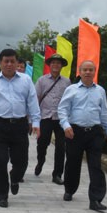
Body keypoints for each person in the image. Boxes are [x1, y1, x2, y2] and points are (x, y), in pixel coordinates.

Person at [0, 48, 41, 208]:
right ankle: (2, 195)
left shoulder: (26, 80)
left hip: (20, 126)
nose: (9, 64)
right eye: (5, 61)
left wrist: (36, 123)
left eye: (12, 61)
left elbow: (32, 102)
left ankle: (15, 177)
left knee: (21, 161)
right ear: (0, 63)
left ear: (17, 63)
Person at [57, 60, 107, 212]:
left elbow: (104, 112)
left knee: (96, 166)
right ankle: (69, 189)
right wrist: (66, 125)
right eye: (85, 70)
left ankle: (95, 199)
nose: (88, 72)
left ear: (94, 72)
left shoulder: (100, 91)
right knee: (73, 163)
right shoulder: (71, 89)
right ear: (80, 72)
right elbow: (62, 109)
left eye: (91, 70)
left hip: (95, 132)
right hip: (75, 131)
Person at [34, 53, 71, 185]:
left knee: (61, 147)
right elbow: (36, 99)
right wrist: (34, 119)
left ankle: (57, 174)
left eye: (58, 63)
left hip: (61, 119)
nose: (56, 65)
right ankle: (40, 161)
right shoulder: (42, 81)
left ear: (61, 66)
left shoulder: (67, 82)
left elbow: (69, 101)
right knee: (42, 144)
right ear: (49, 65)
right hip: (45, 117)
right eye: (53, 63)